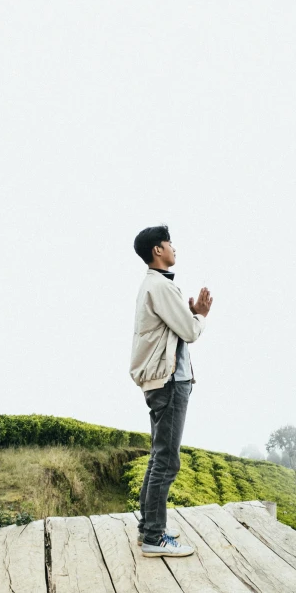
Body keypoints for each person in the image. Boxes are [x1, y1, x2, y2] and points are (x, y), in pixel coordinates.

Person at [130, 224, 213, 558]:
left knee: (158, 456)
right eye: (168, 243)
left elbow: (176, 328)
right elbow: (190, 332)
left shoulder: (155, 286)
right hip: (169, 383)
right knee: (167, 459)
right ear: (157, 251)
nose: (173, 247)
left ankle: (148, 529)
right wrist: (201, 316)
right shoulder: (159, 286)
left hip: (163, 381)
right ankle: (154, 537)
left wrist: (190, 314)